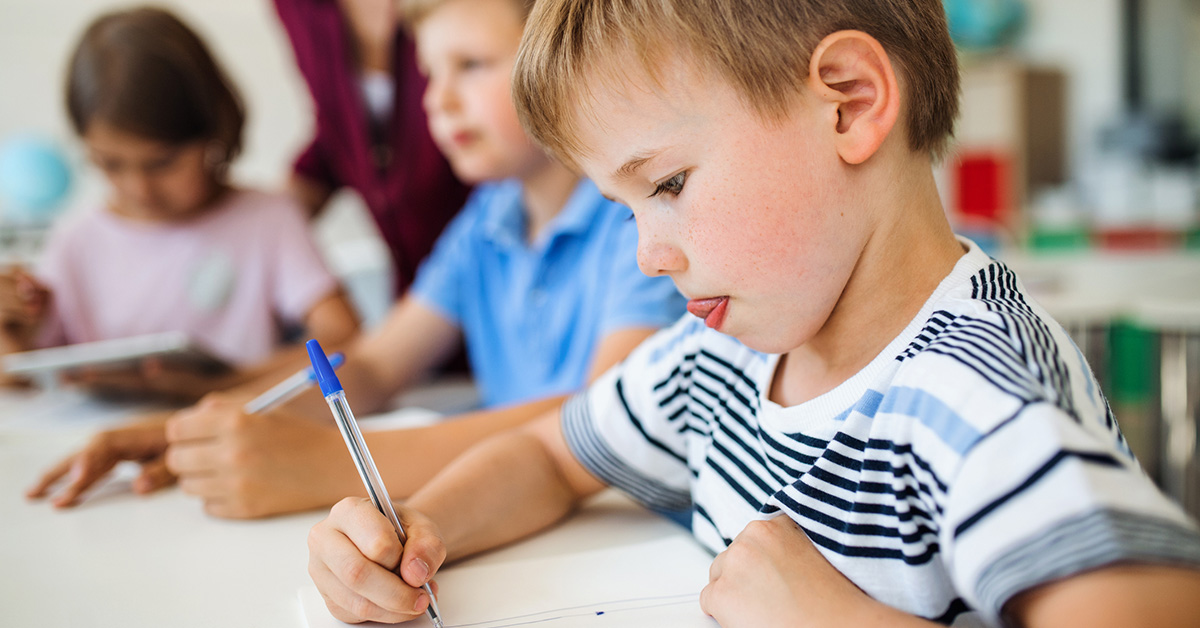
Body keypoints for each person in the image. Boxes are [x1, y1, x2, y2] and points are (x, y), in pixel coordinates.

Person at [305, 0, 1200, 626]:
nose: (648, 255)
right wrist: (422, 527)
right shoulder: (714, 356)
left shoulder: (978, 399)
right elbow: (550, 456)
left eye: (667, 185)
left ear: (848, 101)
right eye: (625, 209)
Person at [26, 0, 684, 520]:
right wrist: (191, 427)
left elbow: (598, 416)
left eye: (472, 65)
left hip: (621, 526)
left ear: (557, 63)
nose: (437, 99)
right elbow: (368, 366)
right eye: (430, 72)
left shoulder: (630, 218)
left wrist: (323, 464)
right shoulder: (484, 221)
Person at [0, 7, 358, 401]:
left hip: (233, 437)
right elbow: (17, 379)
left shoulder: (267, 220)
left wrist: (225, 382)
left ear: (213, 131)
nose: (139, 188)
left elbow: (344, 337)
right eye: (110, 163)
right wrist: (11, 333)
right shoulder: (75, 243)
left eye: (161, 163)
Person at [272, 0, 470, 297]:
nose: (437, 101)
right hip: (417, 287)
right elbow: (337, 131)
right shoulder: (297, 7)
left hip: (489, 253)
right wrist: (263, 221)